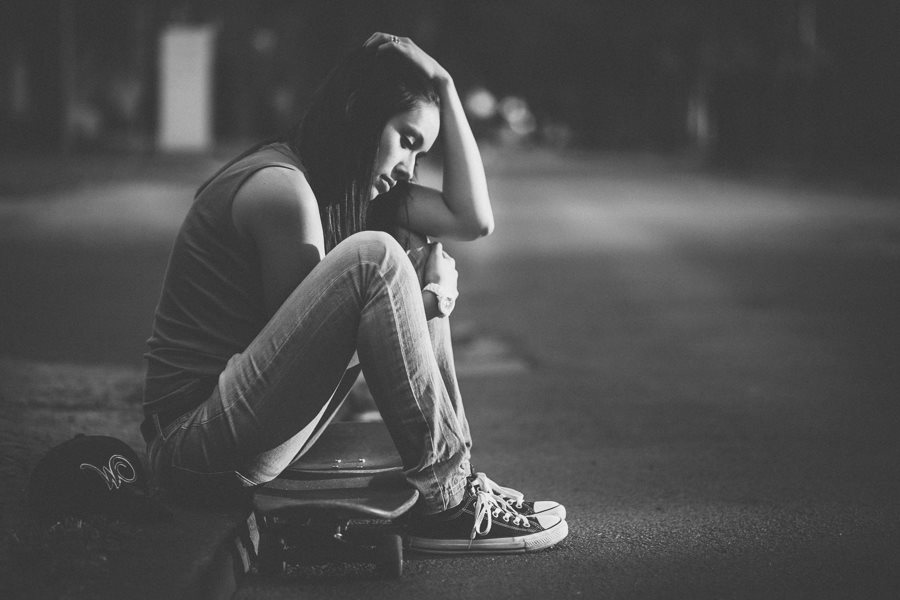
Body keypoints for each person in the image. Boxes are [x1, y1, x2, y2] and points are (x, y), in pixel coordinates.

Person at [140, 32, 567, 553]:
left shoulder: (349, 189)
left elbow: (472, 219)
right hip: (194, 448)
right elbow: (303, 364)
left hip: (242, 435)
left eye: (422, 152)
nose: (410, 169)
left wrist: (445, 86)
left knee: (405, 256)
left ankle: (456, 484)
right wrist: (421, 302)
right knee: (379, 260)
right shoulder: (282, 190)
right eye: (407, 141)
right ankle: (449, 499)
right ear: (356, 112)